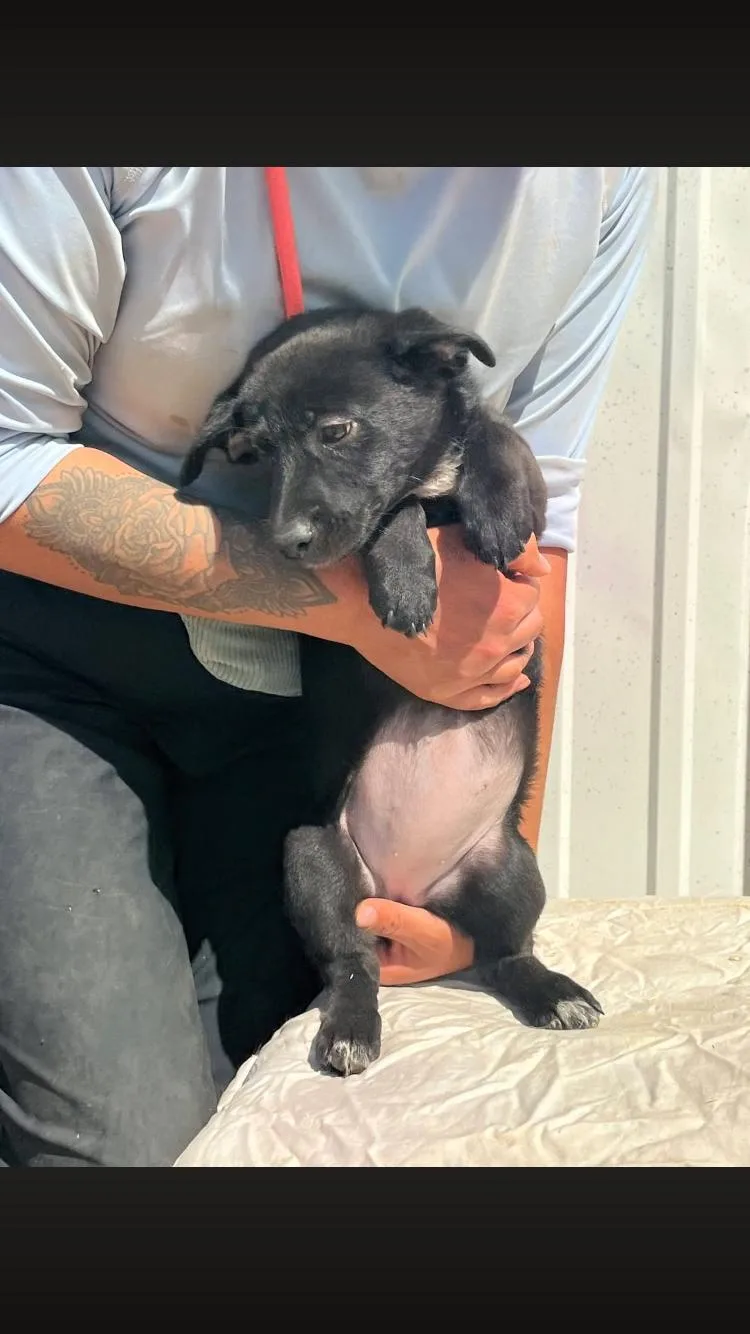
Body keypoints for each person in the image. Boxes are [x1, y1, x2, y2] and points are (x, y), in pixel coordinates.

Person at [0, 167, 655, 1167]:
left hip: (295, 715)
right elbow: (6, 455)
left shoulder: (607, 174)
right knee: (117, 1147)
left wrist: (480, 877)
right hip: (55, 663)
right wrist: (347, 599)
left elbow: (532, 553)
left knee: (270, 1104)